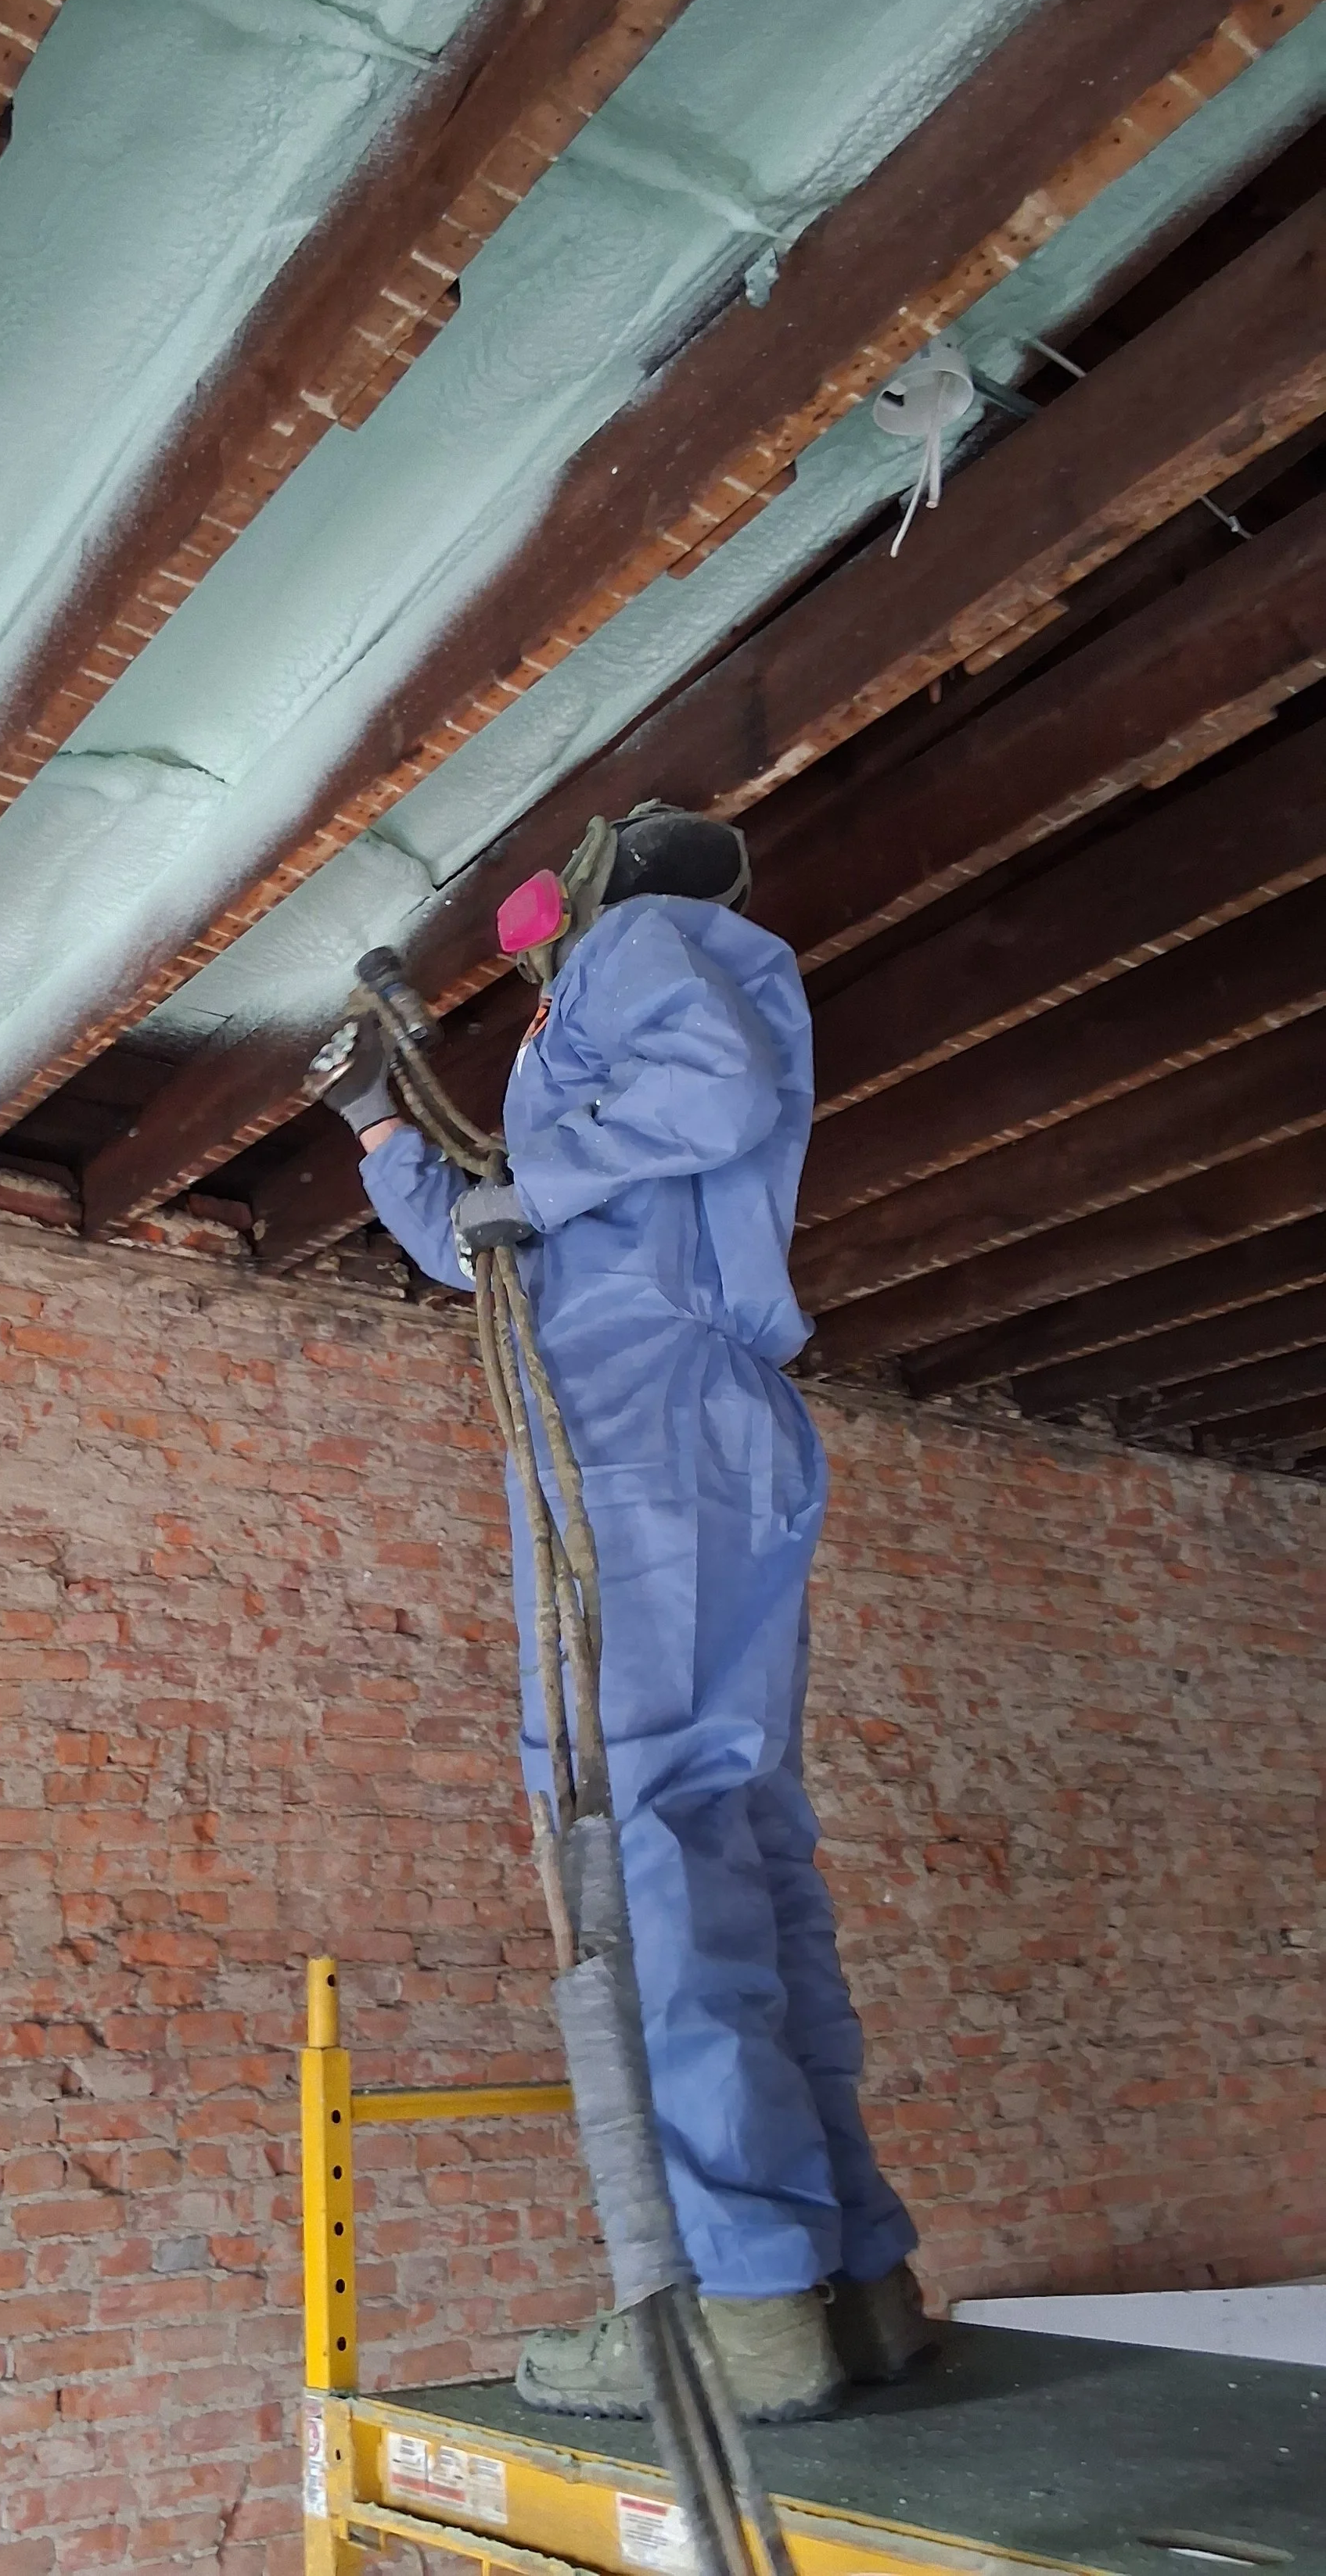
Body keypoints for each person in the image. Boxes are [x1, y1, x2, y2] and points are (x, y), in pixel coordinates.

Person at [320, 803, 933, 2425]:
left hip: (632, 1433)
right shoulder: (624, 1034)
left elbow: (667, 1114)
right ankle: (844, 2279)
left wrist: (526, 1163)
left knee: (640, 1831)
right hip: (704, 1424)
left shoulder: (630, 953)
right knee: (733, 1829)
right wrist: (386, 1140)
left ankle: (733, 2298)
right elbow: (490, 1247)